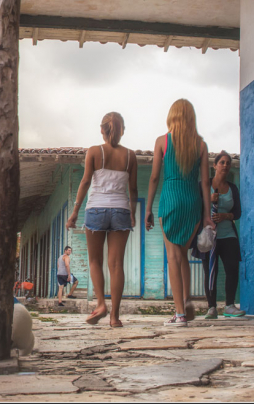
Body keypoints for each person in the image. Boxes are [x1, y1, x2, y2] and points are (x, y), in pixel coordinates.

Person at [66, 112, 139, 327]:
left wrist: (74, 211)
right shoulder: (130, 156)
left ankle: (100, 304)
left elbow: (86, 181)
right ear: (122, 130)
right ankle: (115, 317)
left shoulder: (94, 152)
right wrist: (132, 213)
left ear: (102, 129)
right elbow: (133, 189)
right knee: (116, 264)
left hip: (96, 209)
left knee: (95, 261)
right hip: (120, 211)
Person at [146, 98, 214, 326]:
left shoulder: (162, 141)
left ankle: (180, 314)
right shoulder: (201, 145)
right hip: (192, 200)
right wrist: (206, 215)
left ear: (172, 116)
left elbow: (155, 177)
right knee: (182, 254)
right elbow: (205, 183)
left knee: (173, 258)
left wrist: (148, 208)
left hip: (171, 198)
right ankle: (185, 301)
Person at [202, 151, 244, 319]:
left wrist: (226, 216)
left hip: (228, 235)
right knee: (210, 271)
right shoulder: (204, 186)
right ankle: (211, 307)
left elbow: (238, 212)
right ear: (215, 165)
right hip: (210, 236)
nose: (226, 165)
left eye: (228, 163)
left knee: (232, 269)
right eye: (222, 162)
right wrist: (210, 202)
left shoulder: (232, 188)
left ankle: (230, 305)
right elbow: (197, 208)